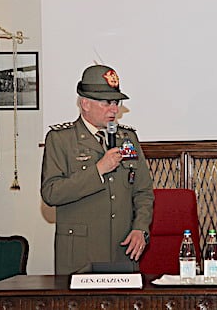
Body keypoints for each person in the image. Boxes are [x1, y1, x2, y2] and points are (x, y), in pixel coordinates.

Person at [40, 64, 154, 275]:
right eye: (106, 103)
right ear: (85, 104)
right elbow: (51, 193)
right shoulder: (61, 139)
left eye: (116, 102)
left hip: (122, 252)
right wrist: (98, 170)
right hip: (80, 256)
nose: (114, 109)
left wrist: (140, 228)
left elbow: (143, 192)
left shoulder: (127, 138)